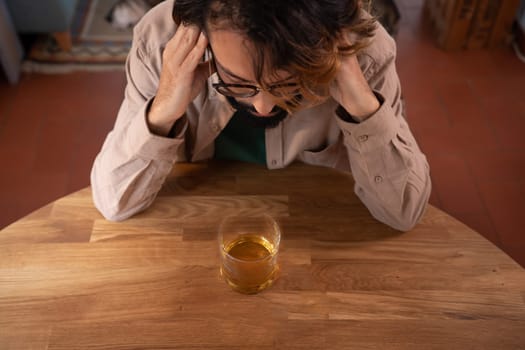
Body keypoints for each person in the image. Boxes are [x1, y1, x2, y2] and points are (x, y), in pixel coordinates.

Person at [91, 0, 431, 231]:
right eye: (237, 82)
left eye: (289, 83)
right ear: (200, 38)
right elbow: (114, 202)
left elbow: (403, 212)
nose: (263, 107)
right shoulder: (160, 43)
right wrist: (164, 107)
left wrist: (362, 105)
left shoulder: (364, 53)